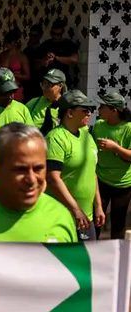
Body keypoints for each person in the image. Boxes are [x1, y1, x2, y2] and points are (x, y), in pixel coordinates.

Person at [46, 90, 104, 240]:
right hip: (62, 217)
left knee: (88, 255)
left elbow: (91, 172)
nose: (89, 113)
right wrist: (76, 210)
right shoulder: (56, 138)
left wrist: (98, 206)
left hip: (86, 217)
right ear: (70, 113)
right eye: (85, 110)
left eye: (90, 110)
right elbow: (53, 178)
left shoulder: (87, 136)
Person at [93, 91, 131, 239]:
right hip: (101, 180)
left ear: (114, 110)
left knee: (118, 224)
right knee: (96, 220)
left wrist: (115, 148)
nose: (99, 109)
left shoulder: (128, 128)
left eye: (102, 106)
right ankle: (92, 248)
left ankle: (116, 251)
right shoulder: (98, 125)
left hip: (123, 184)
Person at [27, 68, 66, 133]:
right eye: (44, 84)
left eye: (49, 85)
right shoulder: (34, 102)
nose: (45, 88)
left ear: (60, 86)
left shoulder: (66, 106)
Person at [0, 28, 30, 102]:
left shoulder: (22, 57)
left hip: (16, 90)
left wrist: (13, 74)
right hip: (4, 91)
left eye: (8, 43)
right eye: (6, 43)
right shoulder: (3, 55)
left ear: (14, 43)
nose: (6, 45)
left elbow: (27, 76)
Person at [22, 25, 46, 100]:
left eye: (35, 35)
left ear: (40, 36)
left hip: (40, 84)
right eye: (31, 35)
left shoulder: (43, 49)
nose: (32, 37)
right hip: (28, 86)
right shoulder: (26, 50)